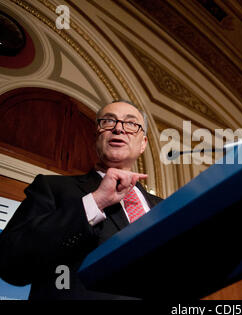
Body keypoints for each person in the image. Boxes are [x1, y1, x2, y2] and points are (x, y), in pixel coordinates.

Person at [0, 100, 162, 299]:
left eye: (131, 124)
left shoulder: (164, 207)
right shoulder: (52, 188)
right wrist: (95, 202)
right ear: (96, 136)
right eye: (108, 122)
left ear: (143, 143)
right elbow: (11, 263)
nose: (119, 129)